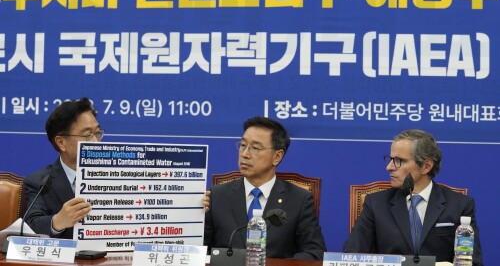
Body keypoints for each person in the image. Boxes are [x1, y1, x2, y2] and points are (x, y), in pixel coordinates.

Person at [343, 129, 483, 265]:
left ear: (426, 166)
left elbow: (472, 262)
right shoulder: (376, 204)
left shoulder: (460, 205)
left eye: (399, 161)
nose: (390, 167)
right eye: (390, 159)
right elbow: (351, 257)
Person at [204, 116, 326, 260]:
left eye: (255, 148)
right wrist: (197, 217)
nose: (244, 154)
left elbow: (314, 252)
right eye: (243, 145)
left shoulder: (299, 200)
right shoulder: (216, 197)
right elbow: (199, 250)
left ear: (277, 156)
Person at [23, 98, 98, 238]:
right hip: (65, 257)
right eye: (88, 135)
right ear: (61, 142)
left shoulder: (116, 177)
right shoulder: (39, 182)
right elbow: (30, 225)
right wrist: (57, 222)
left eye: (98, 133)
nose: (96, 142)